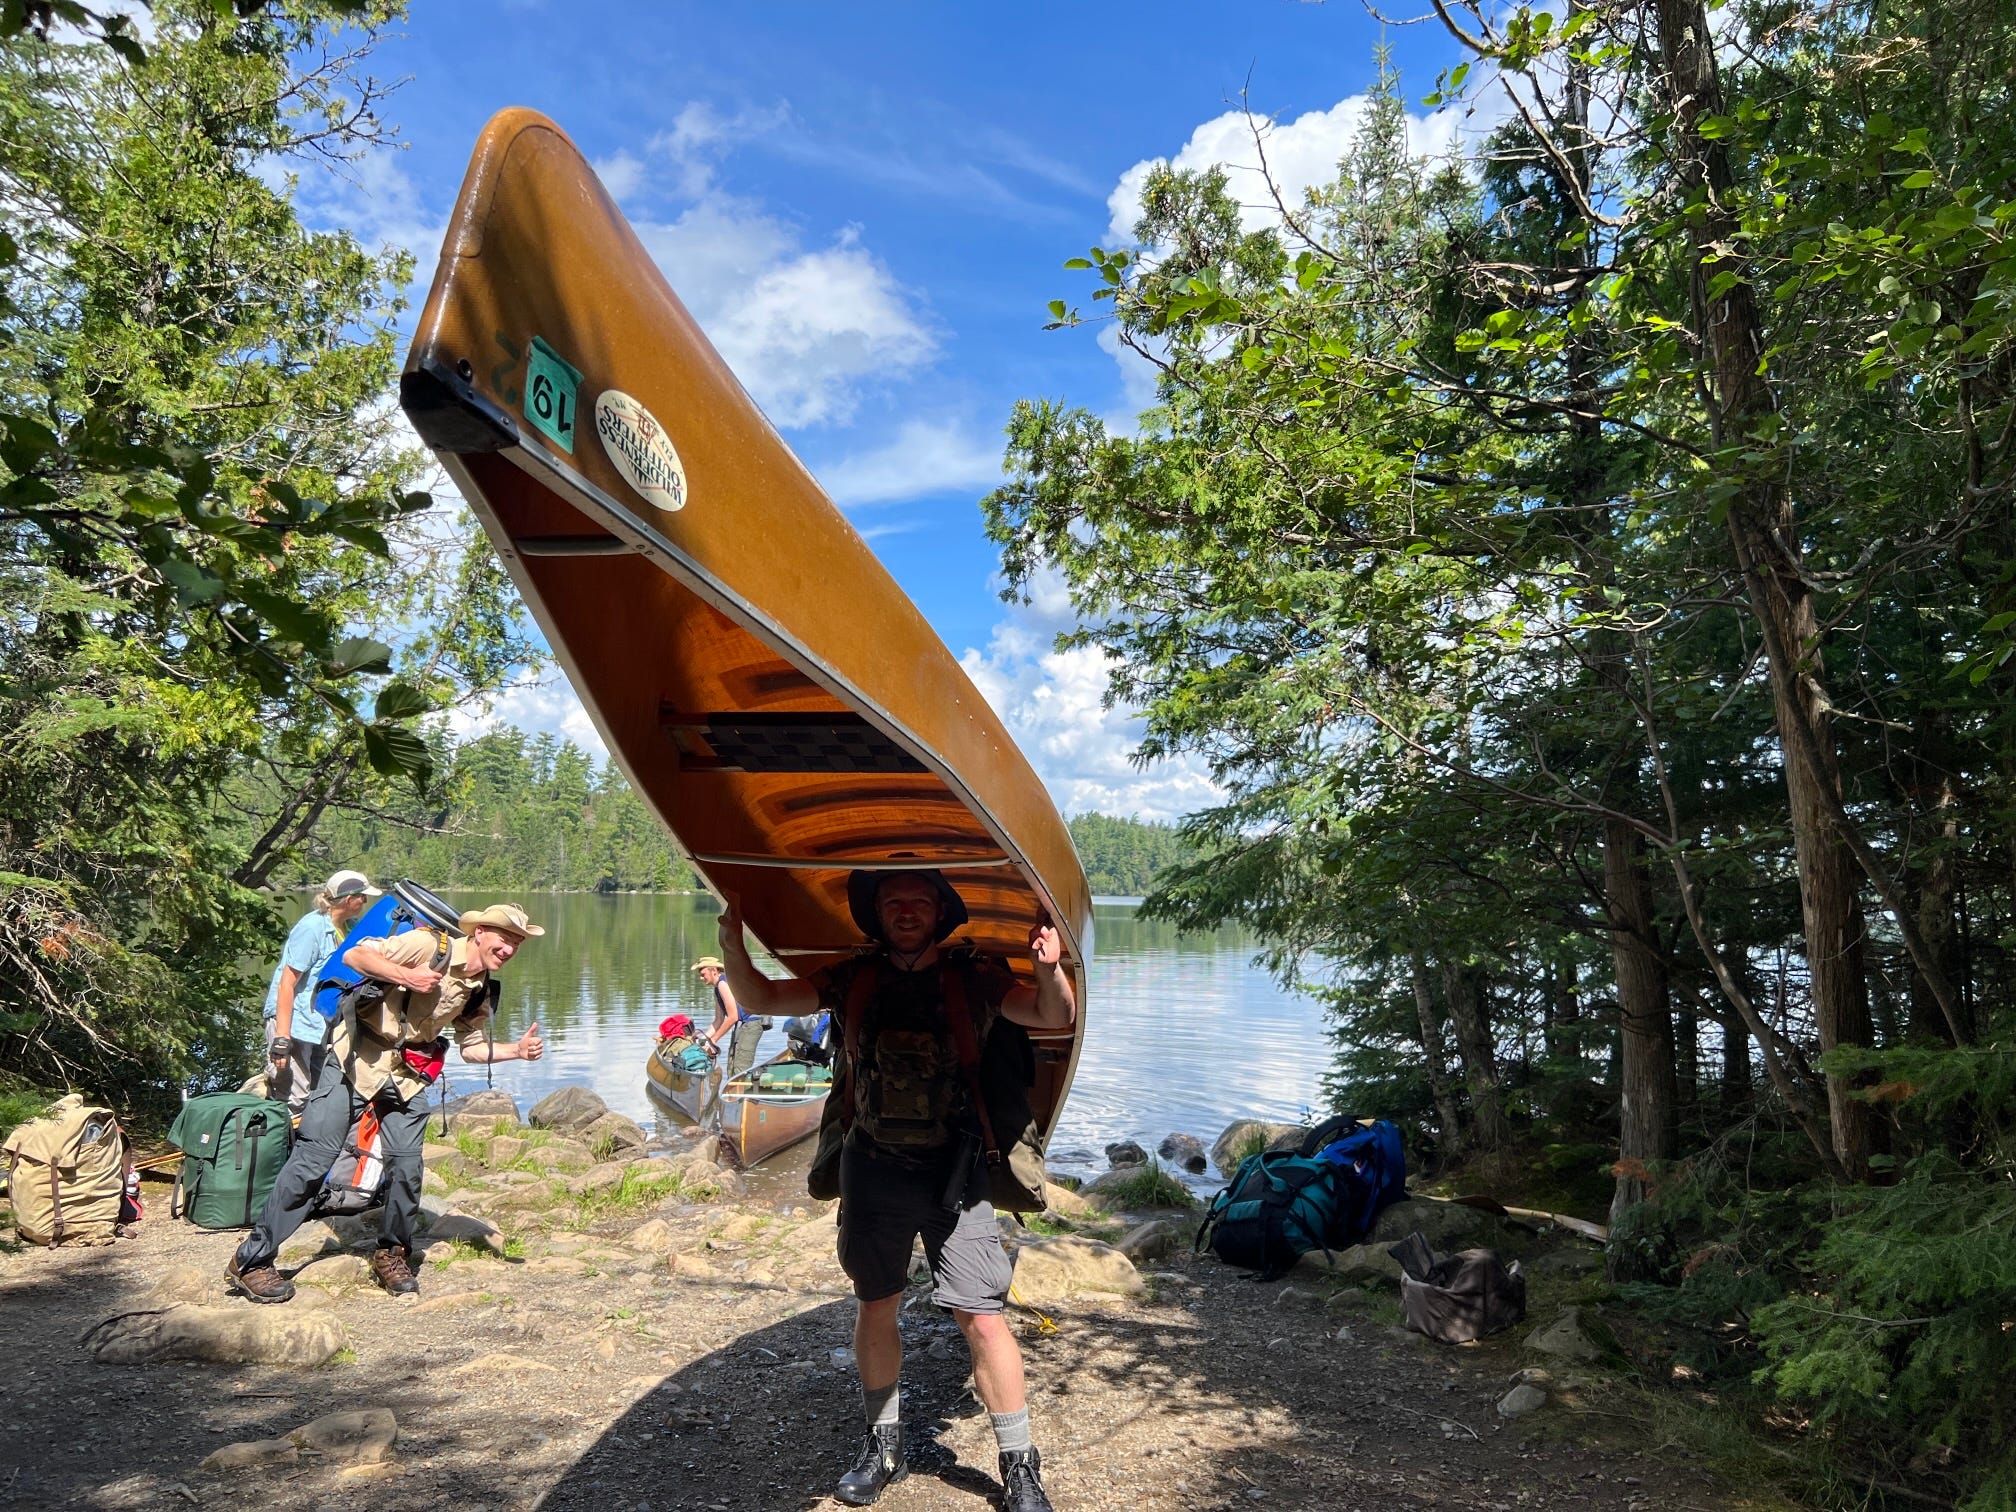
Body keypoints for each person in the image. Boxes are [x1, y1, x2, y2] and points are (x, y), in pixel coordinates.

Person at [718, 869, 1075, 1512]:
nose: (906, 911)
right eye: (893, 902)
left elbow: (1052, 1013)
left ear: (940, 912)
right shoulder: (853, 977)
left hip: (956, 1176)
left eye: (918, 901)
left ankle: (1020, 1466)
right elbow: (766, 998)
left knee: (982, 1315)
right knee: (876, 1303)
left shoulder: (976, 977)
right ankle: (883, 1446)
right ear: (876, 914)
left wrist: (1048, 967)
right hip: (872, 1168)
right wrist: (732, 945)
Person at [225, 903, 547, 1304]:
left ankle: (392, 1254)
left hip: (407, 1077)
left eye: (516, 942)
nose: (510, 948)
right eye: (505, 938)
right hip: (354, 1060)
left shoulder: (481, 987)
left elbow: (473, 1049)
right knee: (312, 1160)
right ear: (479, 932)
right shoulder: (428, 945)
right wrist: (406, 975)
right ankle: (251, 1260)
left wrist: (516, 1050)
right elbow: (354, 955)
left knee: (407, 1168)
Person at [262, 870, 379, 1114]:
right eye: (362, 897)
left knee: (320, 1093)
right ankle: (283, 1147)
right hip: (293, 1021)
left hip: (319, 1024)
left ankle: (312, 1147)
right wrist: (282, 1039)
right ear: (349, 900)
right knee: (294, 1096)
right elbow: (286, 984)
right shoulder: (312, 928)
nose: (365, 902)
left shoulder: (349, 927)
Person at [694, 954, 764, 1077]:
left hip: (751, 1024)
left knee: (740, 1069)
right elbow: (719, 1019)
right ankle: (733, 1093)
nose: (701, 978)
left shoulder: (723, 984)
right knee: (731, 1066)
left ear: (714, 970)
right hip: (741, 1025)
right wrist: (704, 1038)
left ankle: (740, 1094)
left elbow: (733, 1017)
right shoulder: (717, 989)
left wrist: (713, 1041)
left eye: (703, 974)